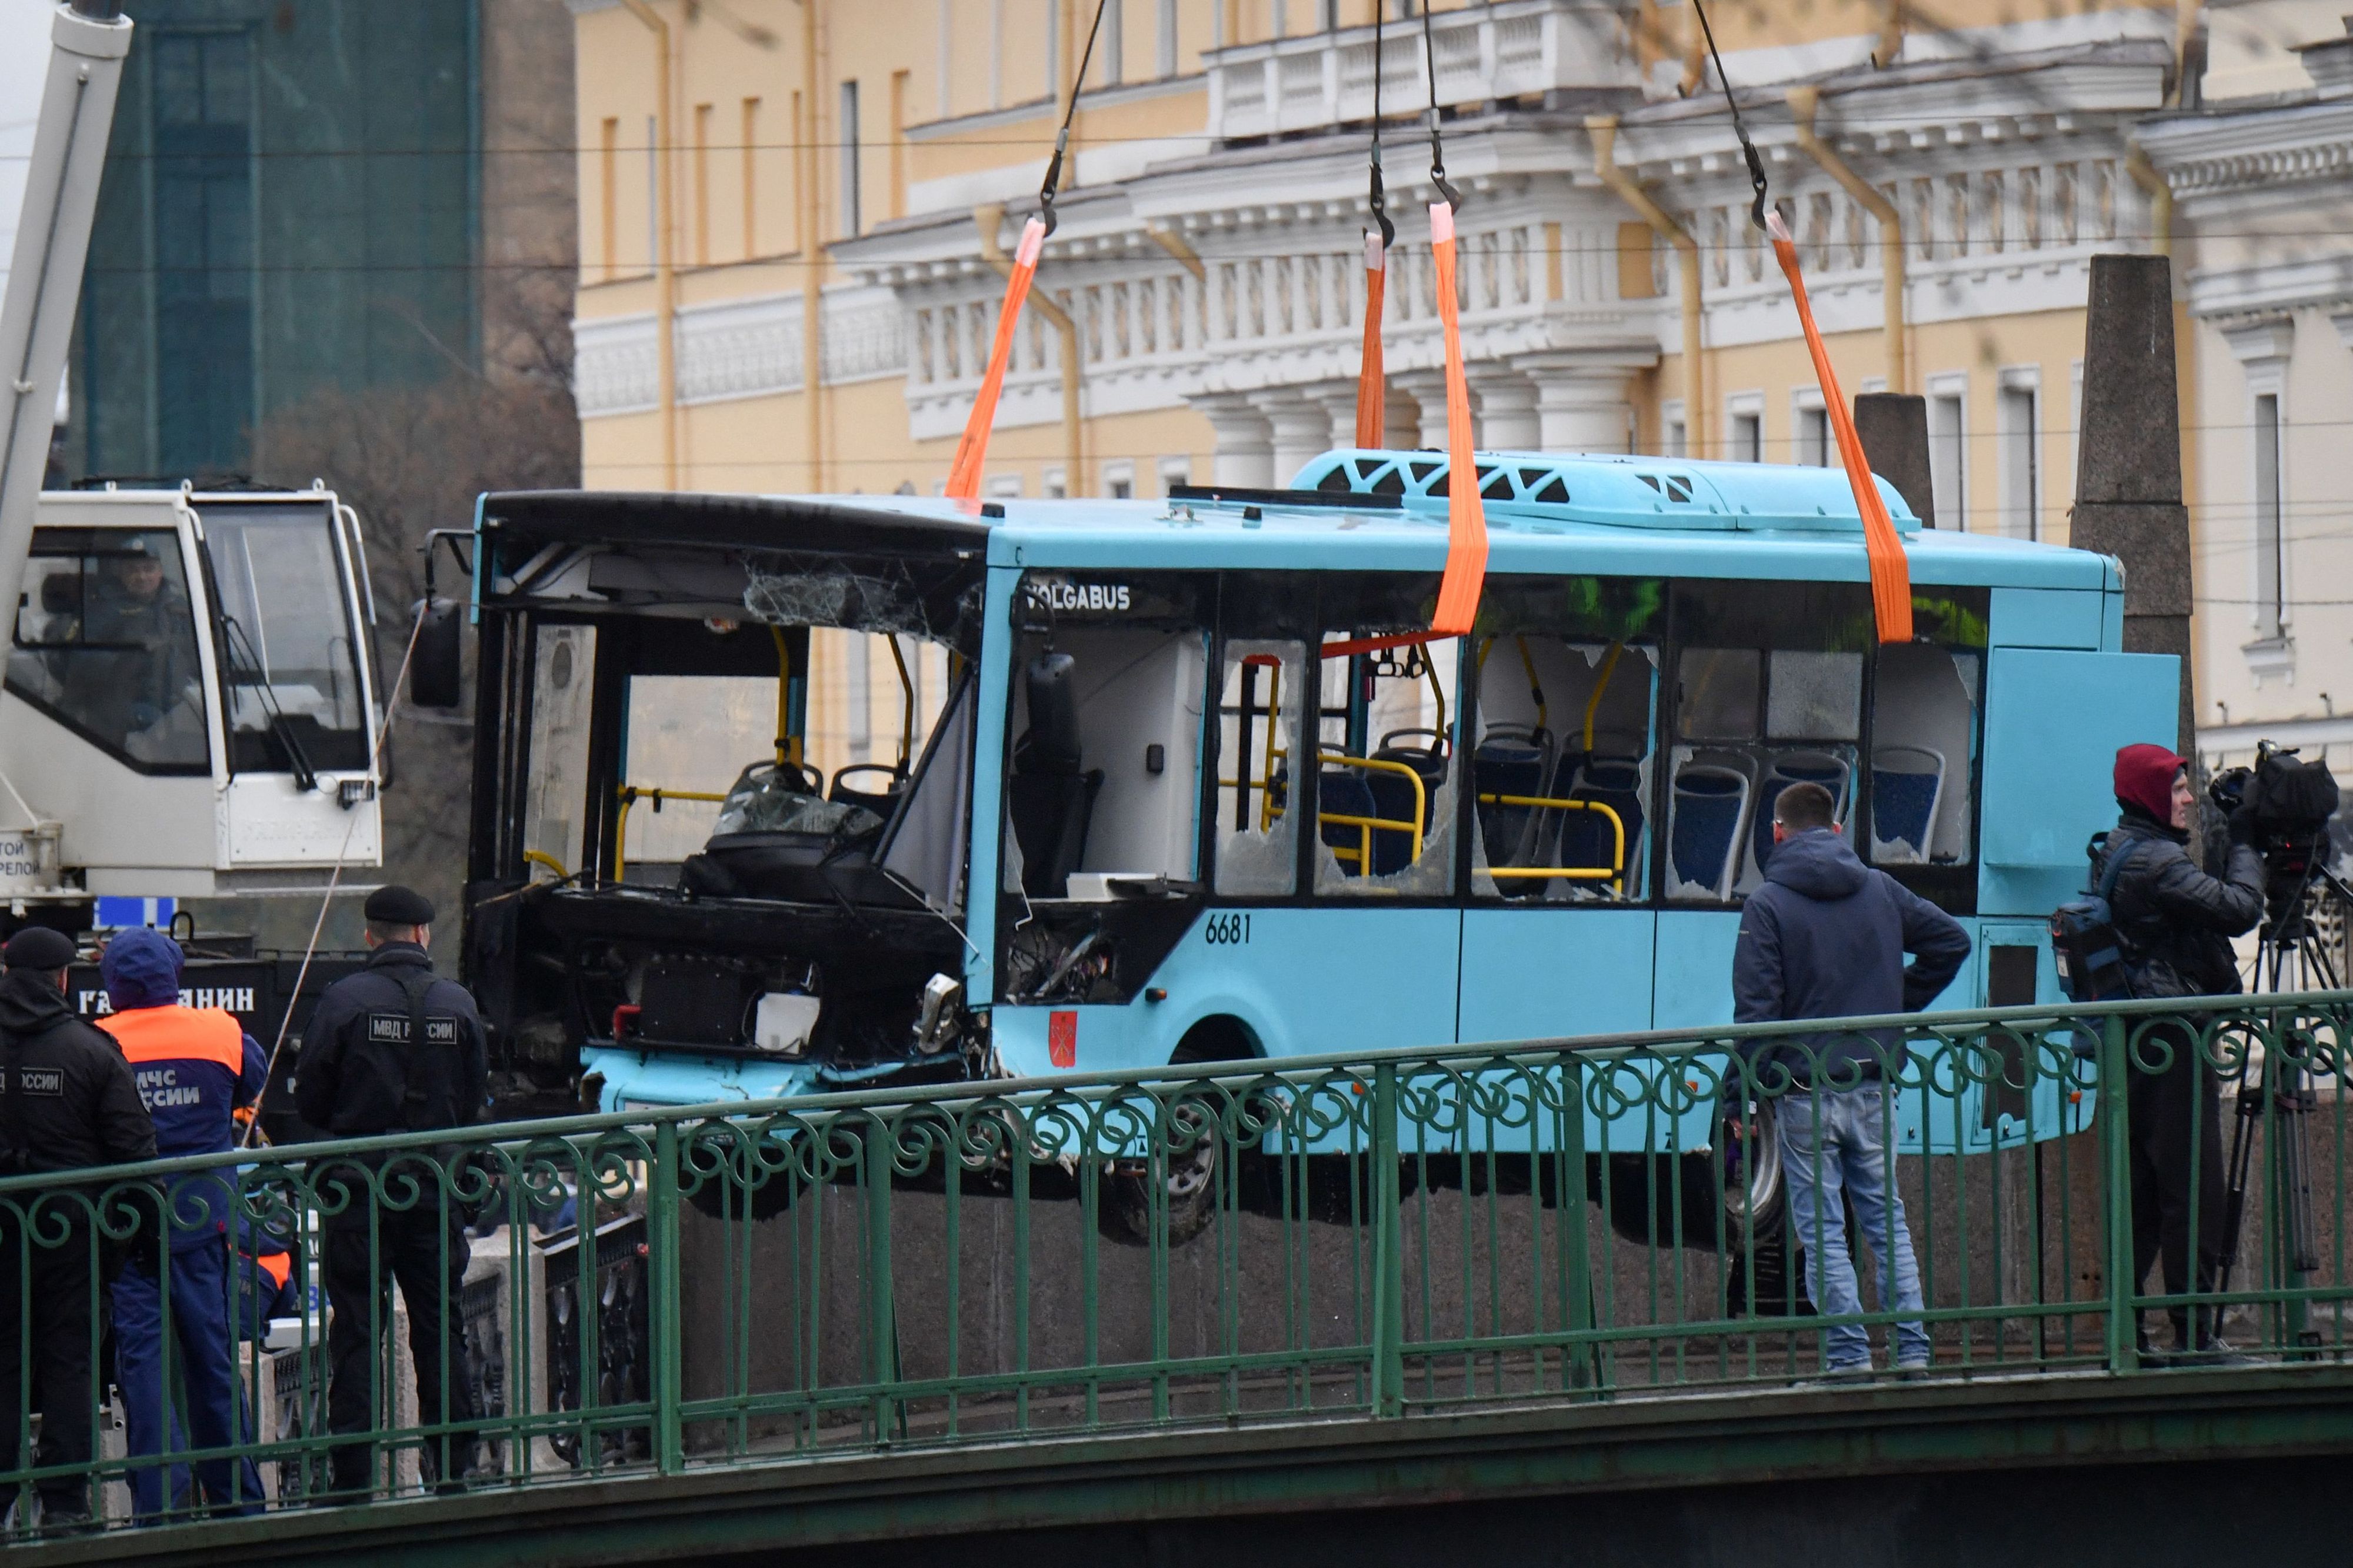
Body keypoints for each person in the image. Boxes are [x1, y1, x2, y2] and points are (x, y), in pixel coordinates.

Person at [1732, 782, 1971, 1377]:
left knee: (1823, 1231)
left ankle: (1848, 1354)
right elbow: (1952, 941)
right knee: (1886, 1221)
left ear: (1777, 832)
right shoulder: (1879, 887)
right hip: (1872, 1081)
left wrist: (1738, 1091)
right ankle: (1912, 1348)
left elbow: (1757, 1012)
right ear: (1837, 829)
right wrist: (1895, 1009)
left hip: (1803, 1090)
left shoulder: (1767, 904)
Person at [294, 886, 488, 1499]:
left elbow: (309, 1097)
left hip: (359, 1191)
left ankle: (351, 1475)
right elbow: (478, 1100)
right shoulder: (457, 1003)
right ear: (424, 935)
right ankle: (454, 1464)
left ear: (370, 934)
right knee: (440, 1325)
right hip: (434, 1191)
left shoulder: (344, 1000)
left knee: (355, 1328)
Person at [2098, 742, 2265, 1365]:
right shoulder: (2157, 862)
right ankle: (2194, 1336)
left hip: (2138, 1038)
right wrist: (2244, 838)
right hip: (2171, 1039)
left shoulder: (2118, 848)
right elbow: (2239, 908)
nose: (2189, 797)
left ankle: (2130, 1333)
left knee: (2144, 1191)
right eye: (2176, 789)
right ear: (2148, 795)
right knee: (2192, 1190)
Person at [96, 928, 269, 1521]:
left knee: (143, 1367)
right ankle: (237, 1498)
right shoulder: (219, 1029)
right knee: (212, 1358)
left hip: (127, 1229)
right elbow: (251, 1082)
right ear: (175, 975)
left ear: (112, 983)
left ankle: (157, 1505)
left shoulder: (100, 1040)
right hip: (204, 1221)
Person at [0, 926, 156, 1530]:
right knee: (70, 1359)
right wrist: (145, 1235)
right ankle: (65, 1500)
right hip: (74, 1231)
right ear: (64, 978)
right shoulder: (91, 1049)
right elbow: (136, 1150)